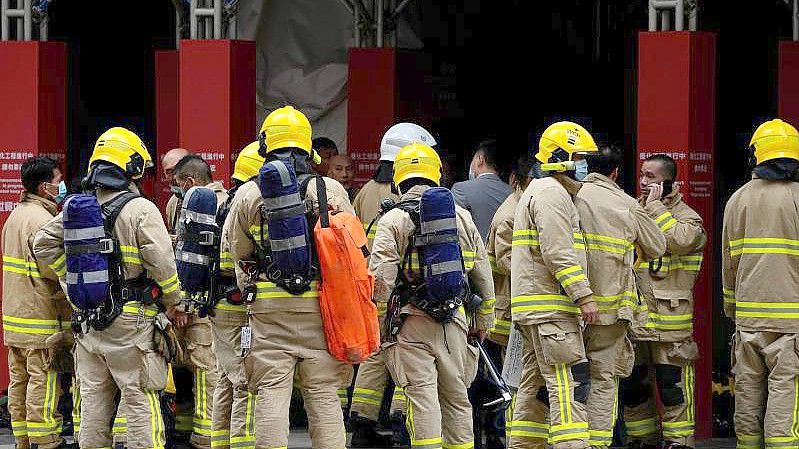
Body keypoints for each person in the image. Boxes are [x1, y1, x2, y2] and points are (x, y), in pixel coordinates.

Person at [33, 127, 187, 449]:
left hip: (89, 323)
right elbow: (163, 264)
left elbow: (42, 245)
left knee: (92, 404)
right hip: (132, 324)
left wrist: (68, 279)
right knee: (140, 399)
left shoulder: (78, 210)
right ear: (131, 167)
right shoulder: (141, 209)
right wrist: (175, 301)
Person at [227, 106, 353, 449]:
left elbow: (237, 252)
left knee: (271, 394)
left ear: (267, 146)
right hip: (321, 309)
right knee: (324, 395)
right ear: (306, 148)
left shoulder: (249, 194)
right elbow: (354, 251)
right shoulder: (330, 190)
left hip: (269, 309)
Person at [374, 142, 496, 449]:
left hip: (409, 322)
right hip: (455, 319)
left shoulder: (393, 219)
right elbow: (481, 272)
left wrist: (375, 320)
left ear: (398, 178)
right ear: (436, 176)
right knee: (456, 398)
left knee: (422, 397)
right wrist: (484, 320)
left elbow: (381, 277)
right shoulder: (462, 216)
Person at [508, 121, 600, 449]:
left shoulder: (541, 190)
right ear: (561, 157)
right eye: (581, 157)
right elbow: (557, 252)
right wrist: (584, 295)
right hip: (551, 310)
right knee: (568, 384)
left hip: (537, 308)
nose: (585, 165)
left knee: (532, 388)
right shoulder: (551, 194)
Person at [349, 122, 437, 447]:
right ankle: (402, 419)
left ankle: (362, 421)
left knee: (375, 354)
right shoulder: (414, 196)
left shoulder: (366, 192)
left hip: (373, 284)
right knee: (408, 356)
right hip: (404, 290)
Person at [572, 145, 666, 449]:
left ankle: (568, 440)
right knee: (602, 380)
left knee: (566, 379)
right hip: (610, 313)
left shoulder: (567, 196)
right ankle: (597, 444)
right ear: (615, 173)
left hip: (568, 307)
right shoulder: (627, 203)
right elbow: (657, 246)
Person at [722, 119, 799, 449]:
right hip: (791, 319)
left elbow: (729, 263)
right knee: (785, 393)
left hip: (749, 319)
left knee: (748, 392)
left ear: (755, 155)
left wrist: (732, 308)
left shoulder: (737, 200)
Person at [622, 153, 706, 449]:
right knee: (633, 384)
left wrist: (656, 207)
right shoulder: (633, 209)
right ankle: (641, 438)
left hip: (671, 321)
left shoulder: (687, 217)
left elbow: (681, 240)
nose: (644, 182)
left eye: (652, 177)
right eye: (642, 175)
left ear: (669, 181)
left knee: (673, 387)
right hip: (637, 319)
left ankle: (678, 441)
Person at [2, 157, 72, 449]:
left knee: (19, 384)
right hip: (40, 320)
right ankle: (46, 442)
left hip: (16, 319)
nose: (62, 186)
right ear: (45, 187)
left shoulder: (16, 215)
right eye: (58, 181)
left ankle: (23, 440)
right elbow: (51, 270)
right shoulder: (43, 221)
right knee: (43, 384)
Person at [170, 154, 229, 448]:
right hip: (189, 302)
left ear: (190, 181)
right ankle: (187, 427)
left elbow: (196, 259)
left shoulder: (217, 203)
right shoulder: (179, 204)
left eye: (176, 182)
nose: (173, 189)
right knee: (187, 369)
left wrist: (184, 302)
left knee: (207, 368)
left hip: (202, 303)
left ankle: (207, 435)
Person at [211, 141, 264, 449]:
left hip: (219, 304)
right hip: (238, 304)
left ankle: (219, 442)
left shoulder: (224, 203)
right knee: (246, 382)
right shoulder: (246, 206)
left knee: (225, 380)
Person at [452, 139, 513, 242]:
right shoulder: (512, 193)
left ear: (480, 159)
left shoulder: (461, 189)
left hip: (475, 256)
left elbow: (456, 228)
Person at [163, 148, 191, 233]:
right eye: (169, 172)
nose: (175, 176)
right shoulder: (173, 203)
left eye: (178, 169)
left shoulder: (216, 200)